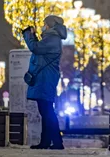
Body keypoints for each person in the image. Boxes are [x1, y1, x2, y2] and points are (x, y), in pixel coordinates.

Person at [22, 15, 67, 150]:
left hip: (45, 80)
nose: (43, 25)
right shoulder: (50, 39)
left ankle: (57, 143)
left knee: (47, 112)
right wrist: (34, 37)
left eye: (45, 23)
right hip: (44, 79)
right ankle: (46, 142)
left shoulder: (53, 39)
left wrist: (28, 35)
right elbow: (39, 48)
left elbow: (35, 48)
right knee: (46, 111)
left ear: (50, 25)